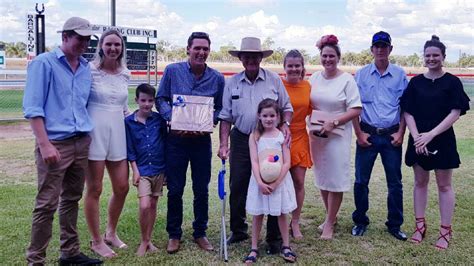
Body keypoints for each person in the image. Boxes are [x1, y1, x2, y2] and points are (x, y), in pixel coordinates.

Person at [23, 17, 102, 265]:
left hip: (80, 142)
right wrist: (45, 144)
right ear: (65, 37)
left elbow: (83, 105)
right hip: (55, 144)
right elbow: (34, 108)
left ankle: (70, 252)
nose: (84, 43)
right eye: (80, 38)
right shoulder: (43, 64)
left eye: (88, 39)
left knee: (71, 200)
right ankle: (35, 259)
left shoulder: (85, 68)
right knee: (46, 204)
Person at [218, 37, 293, 254]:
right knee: (239, 185)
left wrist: (285, 124)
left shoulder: (273, 80)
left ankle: (274, 238)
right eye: (246, 56)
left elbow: (286, 107)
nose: (251, 60)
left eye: (255, 56)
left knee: (272, 182)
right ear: (241, 58)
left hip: (271, 141)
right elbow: (225, 116)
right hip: (242, 139)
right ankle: (239, 230)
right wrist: (224, 143)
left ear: (261, 58)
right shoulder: (231, 82)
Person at [156, 32, 225, 254]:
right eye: (197, 48)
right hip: (176, 139)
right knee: (175, 189)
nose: (201, 52)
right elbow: (161, 98)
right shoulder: (172, 71)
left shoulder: (217, 78)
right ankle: (174, 234)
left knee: (201, 189)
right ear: (188, 49)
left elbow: (221, 107)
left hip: (201, 141)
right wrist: (173, 118)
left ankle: (200, 232)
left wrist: (208, 121)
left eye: (205, 49)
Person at [400, 35, 470, 250]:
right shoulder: (416, 82)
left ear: (443, 57)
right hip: (418, 140)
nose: (431, 59)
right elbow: (407, 111)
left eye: (435, 55)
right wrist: (417, 136)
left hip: (442, 138)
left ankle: (445, 230)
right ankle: (420, 226)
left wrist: (431, 134)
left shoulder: (452, 81)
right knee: (420, 183)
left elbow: (455, 111)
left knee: (444, 185)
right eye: (428, 55)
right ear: (424, 57)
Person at [351, 31, 409, 241]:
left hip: (392, 135)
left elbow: (405, 108)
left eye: (385, 46)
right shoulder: (361, 74)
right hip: (368, 134)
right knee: (360, 181)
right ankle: (360, 221)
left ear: (391, 49)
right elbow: (354, 107)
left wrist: (401, 132)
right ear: (372, 49)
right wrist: (359, 133)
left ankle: (394, 224)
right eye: (377, 46)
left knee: (395, 183)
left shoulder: (400, 75)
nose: (381, 50)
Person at [308, 35, 362, 240]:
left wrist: (336, 122)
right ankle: (331, 216)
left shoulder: (347, 80)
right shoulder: (314, 78)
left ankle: (330, 223)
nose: (327, 59)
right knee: (322, 176)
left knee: (336, 178)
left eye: (331, 56)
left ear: (338, 57)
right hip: (317, 135)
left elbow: (356, 108)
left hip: (337, 136)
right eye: (324, 56)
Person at [83, 29, 131, 258]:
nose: (113, 48)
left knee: (122, 186)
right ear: (101, 45)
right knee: (95, 188)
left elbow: (124, 107)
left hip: (118, 131)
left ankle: (111, 232)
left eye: (117, 45)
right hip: (94, 131)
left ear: (122, 48)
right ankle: (96, 240)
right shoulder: (89, 71)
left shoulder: (125, 73)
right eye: (109, 44)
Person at [244, 99, 297, 264]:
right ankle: (254, 247)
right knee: (258, 213)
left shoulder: (282, 136)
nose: (268, 119)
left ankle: (286, 245)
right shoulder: (255, 136)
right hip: (259, 181)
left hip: (279, 182)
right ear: (259, 116)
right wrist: (260, 182)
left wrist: (276, 183)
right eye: (265, 115)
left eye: (272, 115)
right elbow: (254, 160)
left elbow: (287, 162)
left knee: (281, 213)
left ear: (278, 117)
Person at [125, 84, 167, 256]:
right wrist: (134, 170)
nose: (147, 104)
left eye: (150, 100)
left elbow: (165, 143)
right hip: (142, 170)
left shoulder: (159, 120)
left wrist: (167, 172)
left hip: (159, 168)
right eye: (143, 100)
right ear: (136, 100)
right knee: (144, 205)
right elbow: (130, 149)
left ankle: (149, 240)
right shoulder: (128, 122)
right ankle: (143, 241)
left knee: (153, 204)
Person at [281, 50, 312, 239]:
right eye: (290, 66)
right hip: (280, 137)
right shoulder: (277, 84)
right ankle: (279, 220)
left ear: (302, 67)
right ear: (284, 67)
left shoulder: (308, 86)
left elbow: (313, 111)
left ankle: (295, 222)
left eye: (297, 66)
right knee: (279, 181)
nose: (293, 69)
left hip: (300, 136)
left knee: (299, 182)